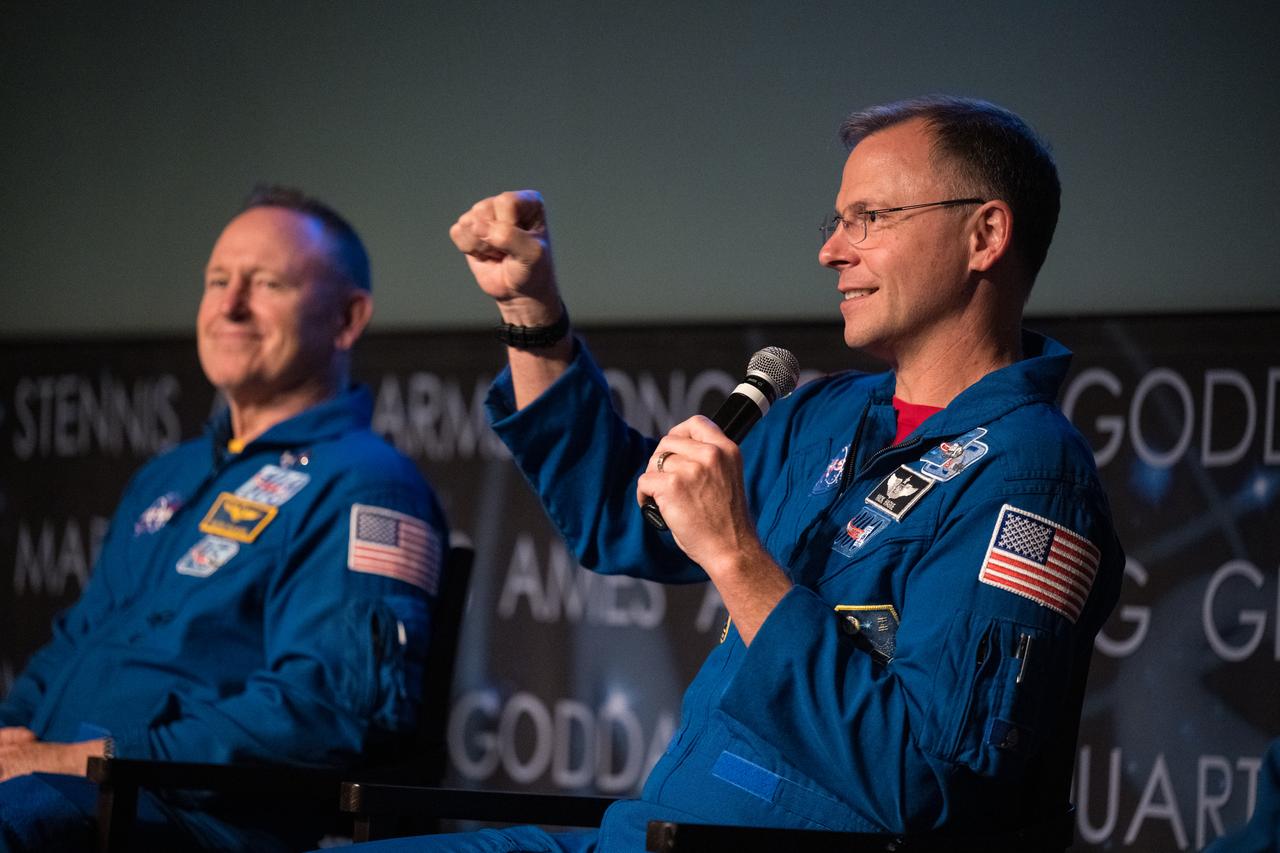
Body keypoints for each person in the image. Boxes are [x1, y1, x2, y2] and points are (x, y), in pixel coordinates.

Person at [350, 95, 1124, 851]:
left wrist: (737, 556)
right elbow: (623, 516)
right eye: (837, 221)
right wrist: (533, 316)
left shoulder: (1032, 478)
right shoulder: (829, 415)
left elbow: (926, 783)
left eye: (871, 219)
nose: (832, 250)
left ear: (984, 233)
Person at [0, 186, 448, 851]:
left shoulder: (367, 486)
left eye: (266, 283)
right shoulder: (169, 475)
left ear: (347, 319)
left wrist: (87, 759)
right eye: (217, 281)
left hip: (180, 819)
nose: (230, 305)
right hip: (64, 796)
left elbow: (326, 715)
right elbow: (76, 643)